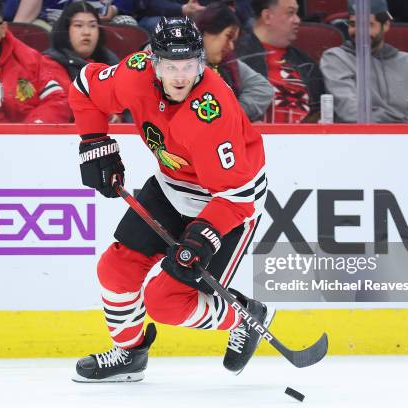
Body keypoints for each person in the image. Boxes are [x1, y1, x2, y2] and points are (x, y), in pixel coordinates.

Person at [68, 16, 272, 382]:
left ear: (202, 63)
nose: (180, 77)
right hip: (171, 185)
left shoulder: (213, 113)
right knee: (115, 269)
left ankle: (243, 315)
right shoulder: (134, 74)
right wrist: (95, 142)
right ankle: (129, 355)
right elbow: (84, 87)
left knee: (165, 302)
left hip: (226, 203)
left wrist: (203, 235)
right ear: (152, 61)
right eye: (170, 66)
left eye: (189, 66)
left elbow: (237, 195)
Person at [320, 0, 408, 123]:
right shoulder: (336, 59)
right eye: (353, 24)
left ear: (386, 25)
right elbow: (351, 112)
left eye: (368, 24)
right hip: (357, 139)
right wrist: (404, 121)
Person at [234, 0, 325, 123]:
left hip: (308, 139)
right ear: (267, 17)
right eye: (290, 13)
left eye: (297, 13)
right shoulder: (235, 58)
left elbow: (321, 112)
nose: (297, 20)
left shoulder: (307, 62)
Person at [195, 2, 274, 121]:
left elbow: (263, 89)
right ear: (208, 31)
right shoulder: (177, 63)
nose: (231, 47)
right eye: (228, 36)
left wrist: (235, 113)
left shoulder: (228, 62)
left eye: (234, 41)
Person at [43, 2, 119, 91]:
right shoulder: (51, 63)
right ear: (66, 31)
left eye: (92, 26)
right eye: (78, 25)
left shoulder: (110, 62)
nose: (86, 32)